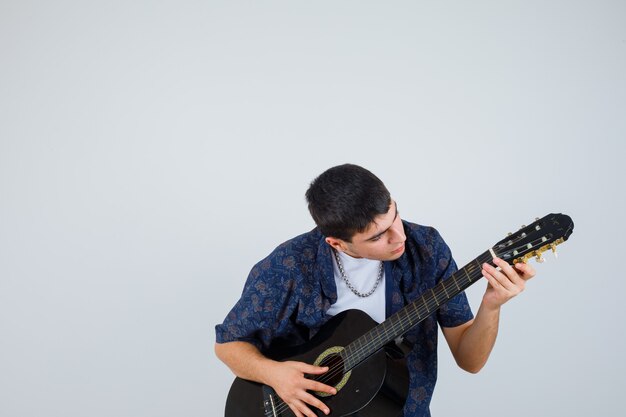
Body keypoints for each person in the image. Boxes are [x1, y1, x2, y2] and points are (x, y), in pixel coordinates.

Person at [214, 163, 535, 417]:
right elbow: (228, 345)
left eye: (395, 216)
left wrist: (491, 305)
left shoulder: (427, 250)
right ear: (337, 243)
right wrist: (275, 375)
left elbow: (470, 361)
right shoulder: (289, 265)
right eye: (378, 237)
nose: (399, 237)